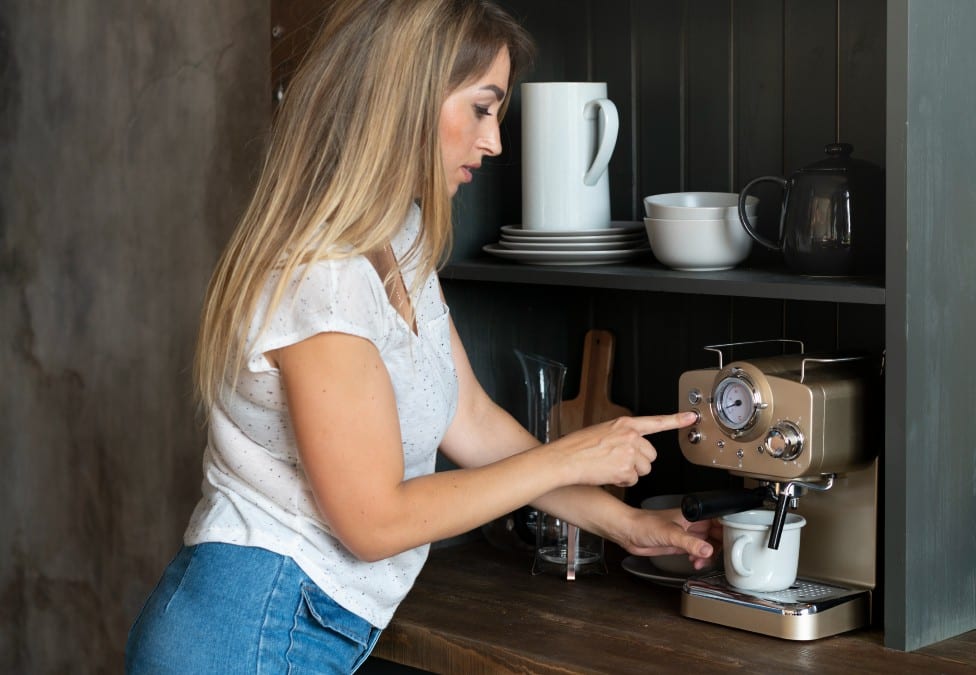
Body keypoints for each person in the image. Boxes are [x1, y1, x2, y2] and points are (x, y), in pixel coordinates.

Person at [125, 0, 718, 672]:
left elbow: (470, 420)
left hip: (287, 626)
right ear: (405, 99)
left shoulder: (395, 239)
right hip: (248, 633)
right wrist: (572, 456)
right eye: (482, 108)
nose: (494, 141)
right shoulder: (324, 279)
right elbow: (375, 520)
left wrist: (624, 522)